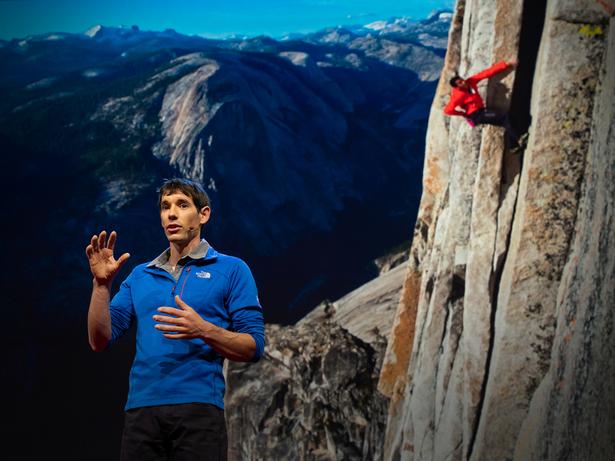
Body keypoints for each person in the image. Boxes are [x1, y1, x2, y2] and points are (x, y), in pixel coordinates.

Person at [86, 178, 265, 461]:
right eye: (165, 206)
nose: (171, 213)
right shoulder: (140, 275)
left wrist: (204, 330)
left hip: (199, 411)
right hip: (141, 413)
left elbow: (253, 346)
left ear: (203, 214)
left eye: (182, 205)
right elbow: (100, 339)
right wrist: (101, 286)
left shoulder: (232, 269)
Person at [444, 60, 518, 145]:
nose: (463, 82)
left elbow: (486, 73)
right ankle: (516, 141)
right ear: (457, 87)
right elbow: (447, 110)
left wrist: (506, 64)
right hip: (477, 115)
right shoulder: (458, 96)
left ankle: (514, 146)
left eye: (462, 80)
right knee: (504, 117)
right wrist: (463, 113)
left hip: (482, 111)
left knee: (504, 120)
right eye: (460, 83)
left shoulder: (470, 82)